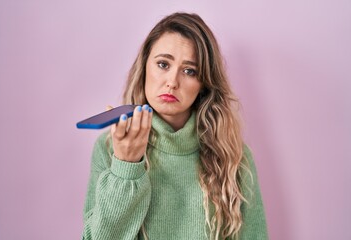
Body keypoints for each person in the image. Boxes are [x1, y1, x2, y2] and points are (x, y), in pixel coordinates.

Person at [82, 12, 268, 240]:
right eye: (163, 64)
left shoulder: (234, 157)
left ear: (203, 84)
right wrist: (125, 167)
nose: (172, 81)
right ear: (145, 68)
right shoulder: (109, 147)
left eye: (189, 71)